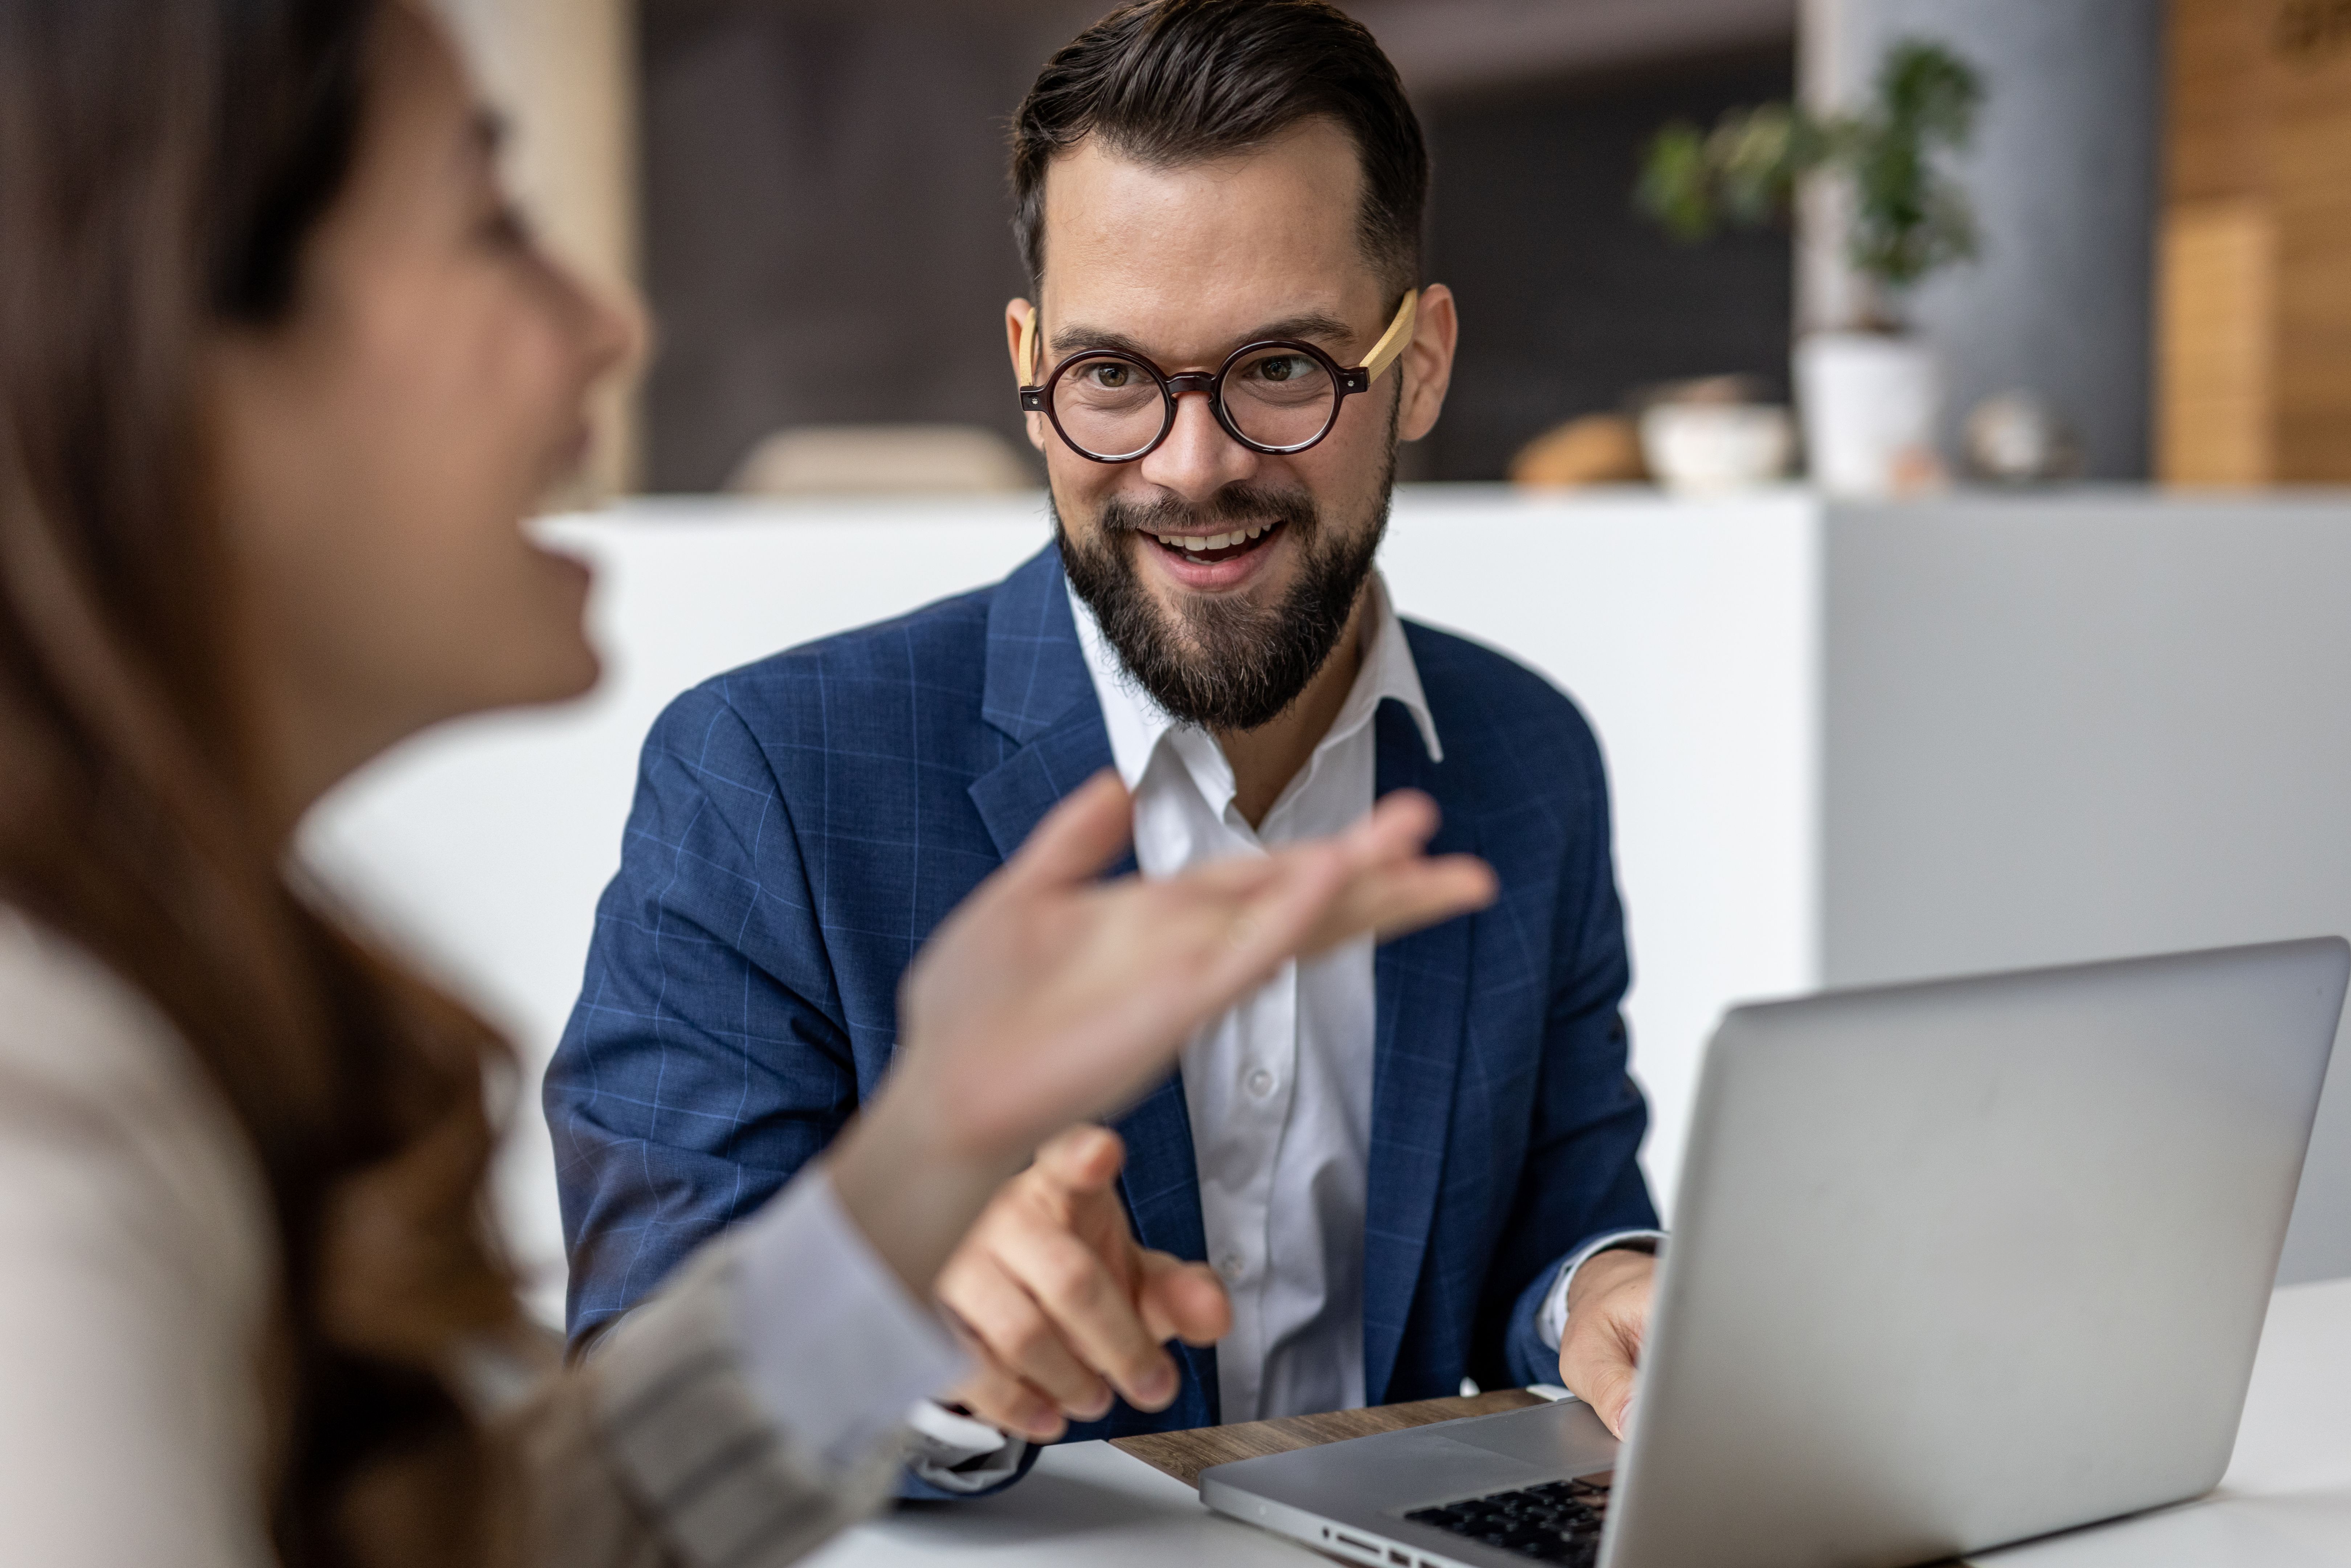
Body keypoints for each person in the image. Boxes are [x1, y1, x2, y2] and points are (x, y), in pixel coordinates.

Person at [0, 2, 1495, 1565]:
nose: (610, 328)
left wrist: (921, 1160)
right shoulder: (41, 1120)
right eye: (493, 225)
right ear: (184, 356)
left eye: (1280, 366)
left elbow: (503, 1541)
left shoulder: (173, 1022)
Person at [547, 0, 1663, 1496]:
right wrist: (912, 1337)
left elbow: (1558, 1208)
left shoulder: (1526, 758)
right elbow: (637, 1376)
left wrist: (1602, 1291)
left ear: (1422, 363)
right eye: (1114, 379)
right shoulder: (769, 777)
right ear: (1030, 364)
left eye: (1282, 369)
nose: (1191, 467)